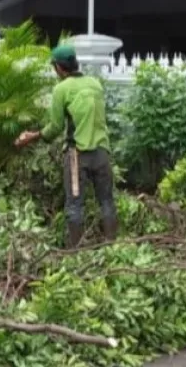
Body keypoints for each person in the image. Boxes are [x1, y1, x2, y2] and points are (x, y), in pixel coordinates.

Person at [14, 45, 118, 248]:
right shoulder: (95, 84)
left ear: (59, 68)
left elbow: (55, 127)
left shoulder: (62, 89)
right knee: (106, 200)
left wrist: (32, 136)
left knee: (74, 205)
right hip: (102, 153)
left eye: (54, 67)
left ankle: (74, 254)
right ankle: (111, 246)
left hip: (76, 155)